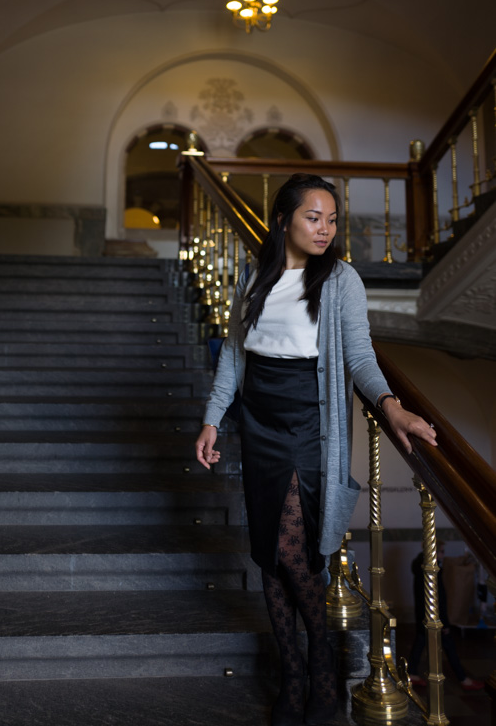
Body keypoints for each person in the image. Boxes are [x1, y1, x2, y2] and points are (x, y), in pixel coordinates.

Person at [194, 173, 437, 726]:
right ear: (283, 220)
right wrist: (213, 418)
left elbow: (358, 354)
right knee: (270, 553)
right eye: (313, 217)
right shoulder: (254, 275)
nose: (325, 229)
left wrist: (391, 404)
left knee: (296, 549)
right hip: (257, 422)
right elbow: (234, 357)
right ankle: (295, 672)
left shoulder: (341, 280)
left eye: (331, 220)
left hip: (310, 424)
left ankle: (321, 661)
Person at [408, 543, 484, 691]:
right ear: (433, 552)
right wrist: (445, 622)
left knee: (421, 641)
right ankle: (463, 679)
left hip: (424, 614)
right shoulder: (430, 570)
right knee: (448, 645)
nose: (443, 555)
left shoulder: (420, 565)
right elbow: (438, 599)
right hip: (433, 616)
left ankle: (411, 673)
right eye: (441, 552)